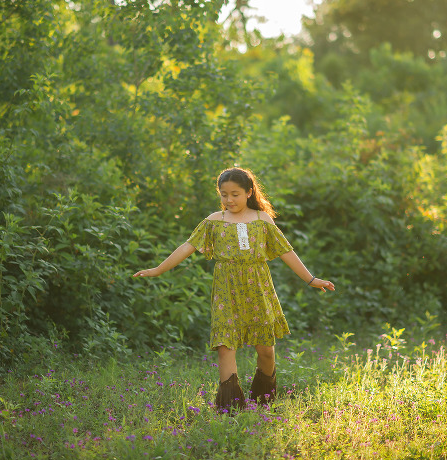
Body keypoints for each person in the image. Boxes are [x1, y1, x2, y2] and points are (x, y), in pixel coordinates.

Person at [133, 167, 335, 412]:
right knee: (225, 346)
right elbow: (188, 246)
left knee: (266, 350)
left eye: (235, 194)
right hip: (226, 287)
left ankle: (264, 399)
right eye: (224, 195)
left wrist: (311, 279)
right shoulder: (214, 221)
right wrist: (158, 269)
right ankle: (230, 408)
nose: (229, 200)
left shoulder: (262, 220)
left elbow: (286, 251)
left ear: (249, 192)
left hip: (258, 287)